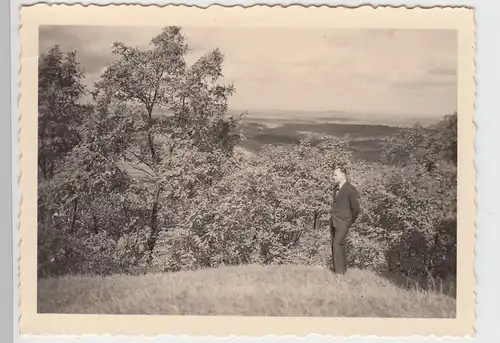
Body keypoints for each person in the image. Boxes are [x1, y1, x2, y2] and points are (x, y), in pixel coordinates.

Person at [330, 166, 360, 274]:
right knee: (338, 245)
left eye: (335, 174)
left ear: (343, 175)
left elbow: (356, 209)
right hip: (334, 221)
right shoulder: (335, 188)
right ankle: (342, 271)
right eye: (333, 174)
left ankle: (338, 275)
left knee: (336, 245)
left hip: (344, 222)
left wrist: (349, 221)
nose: (333, 177)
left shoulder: (350, 189)